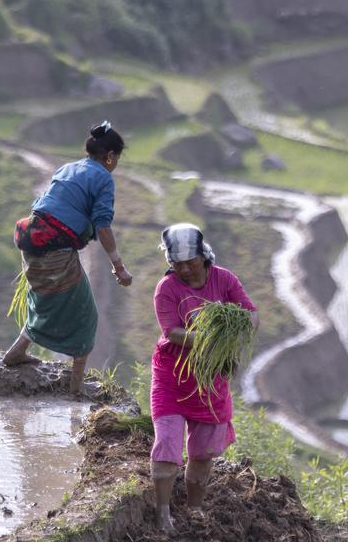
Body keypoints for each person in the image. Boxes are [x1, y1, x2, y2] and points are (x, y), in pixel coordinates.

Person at [3, 121, 133, 396]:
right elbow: (102, 225)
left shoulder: (67, 168)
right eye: (117, 158)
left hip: (31, 241)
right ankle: (76, 387)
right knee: (86, 313)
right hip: (54, 249)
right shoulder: (103, 178)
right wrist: (118, 266)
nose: (116, 163)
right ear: (110, 156)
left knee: (42, 299)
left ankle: (15, 353)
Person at [149, 223, 258, 534]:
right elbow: (171, 332)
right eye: (177, 264)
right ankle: (163, 513)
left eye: (191, 262)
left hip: (210, 381)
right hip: (173, 378)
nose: (185, 269)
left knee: (202, 454)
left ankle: (194, 509)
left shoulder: (224, 279)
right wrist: (211, 338)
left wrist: (237, 329)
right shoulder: (167, 288)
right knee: (168, 445)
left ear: (203, 256)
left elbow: (251, 314)